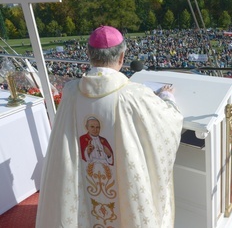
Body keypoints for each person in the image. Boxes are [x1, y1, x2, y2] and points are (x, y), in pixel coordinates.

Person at [36, 26, 183, 228]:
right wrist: (167, 97)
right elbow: (169, 122)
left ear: (89, 54)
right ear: (122, 57)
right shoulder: (133, 94)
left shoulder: (70, 91)